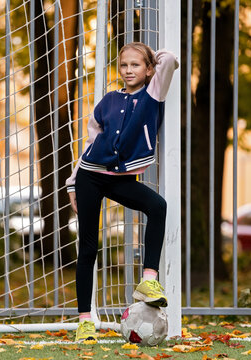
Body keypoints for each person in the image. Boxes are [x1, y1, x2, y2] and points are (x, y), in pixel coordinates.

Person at [65, 42, 179, 341]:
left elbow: (169, 60)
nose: (129, 70)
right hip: (90, 175)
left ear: (149, 69)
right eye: (124, 65)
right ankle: (85, 322)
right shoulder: (108, 101)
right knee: (88, 248)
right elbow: (91, 144)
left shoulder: (154, 93)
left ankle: (148, 280)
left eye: (136, 65)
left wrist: (151, 58)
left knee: (157, 206)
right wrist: (72, 183)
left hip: (119, 178)